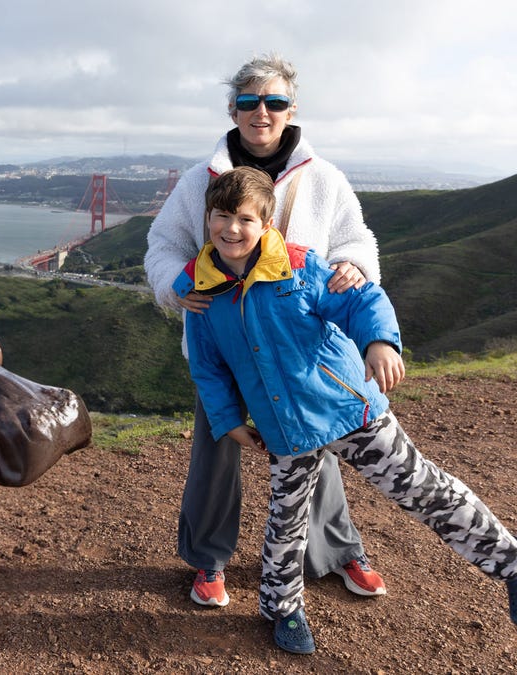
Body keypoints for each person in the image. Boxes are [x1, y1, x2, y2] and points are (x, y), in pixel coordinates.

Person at [174, 166, 517, 654]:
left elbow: (362, 300)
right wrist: (228, 421)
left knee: (422, 490)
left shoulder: (299, 266)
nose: (231, 229)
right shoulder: (201, 289)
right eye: (221, 216)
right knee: (286, 522)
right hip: (286, 428)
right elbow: (207, 367)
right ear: (207, 219)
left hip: (351, 410)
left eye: (244, 218)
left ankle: (516, 563)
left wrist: (379, 342)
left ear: (266, 223)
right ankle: (283, 609)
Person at [144, 53, 385, 607]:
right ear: (232, 110)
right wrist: (172, 286)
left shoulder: (324, 178)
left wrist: (356, 268)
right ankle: (208, 561)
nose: (262, 112)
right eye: (249, 102)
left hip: (302, 348)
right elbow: (164, 246)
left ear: (291, 109)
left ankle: (334, 550)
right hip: (224, 342)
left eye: (274, 102)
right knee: (215, 449)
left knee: (315, 447)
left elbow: (356, 240)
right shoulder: (197, 181)